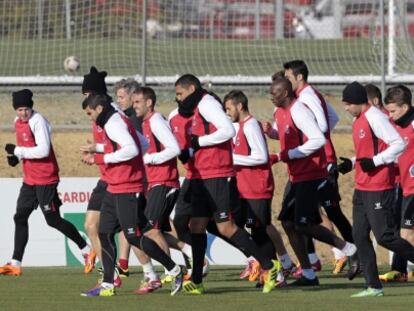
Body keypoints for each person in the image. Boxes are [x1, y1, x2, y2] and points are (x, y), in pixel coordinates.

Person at [174, 74, 280, 294]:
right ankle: (197, 281)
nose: (178, 98)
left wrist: (199, 142)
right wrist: (190, 151)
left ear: (192, 89)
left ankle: (270, 265)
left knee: (226, 227)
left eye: (180, 94)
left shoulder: (207, 103)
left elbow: (228, 130)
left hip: (217, 175)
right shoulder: (195, 109)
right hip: (202, 175)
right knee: (196, 225)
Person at [80, 94, 183, 297]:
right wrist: (97, 148)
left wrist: (102, 157)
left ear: (99, 109)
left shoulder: (113, 122)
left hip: (128, 187)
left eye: (90, 113)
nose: (90, 118)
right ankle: (108, 285)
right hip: (115, 185)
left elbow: (131, 148)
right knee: (105, 232)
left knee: (133, 236)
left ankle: (174, 269)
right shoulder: (117, 119)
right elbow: (143, 143)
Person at [269, 77, 357, 286]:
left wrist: (286, 155)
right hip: (295, 175)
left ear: (285, 93)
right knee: (289, 223)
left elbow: (317, 139)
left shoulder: (299, 110)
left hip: (310, 175)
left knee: (303, 223)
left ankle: (345, 247)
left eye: (274, 93)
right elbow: (287, 137)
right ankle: (308, 272)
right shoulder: (280, 113)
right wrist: (270, 132)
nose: (271, 96)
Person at [0, 89, 92, 276]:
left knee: (52, 220)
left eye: (26, 109)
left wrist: (18, 151)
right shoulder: (18, 123)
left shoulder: (38, 121)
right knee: (20, 216)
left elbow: (43, 150)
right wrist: (17, 158)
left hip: (46, 178)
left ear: (31, 107)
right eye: (19, 109)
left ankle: (86, 249)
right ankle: (15, 263)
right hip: (30, 179)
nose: (23, 113)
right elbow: (27, 148)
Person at [338, 81, 414, 297]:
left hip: (380, 186)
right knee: (359, 235)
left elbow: (397, 144)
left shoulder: (375, 117)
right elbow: (368, 153)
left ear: (357, 102)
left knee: (385, 237)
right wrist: (351, 164)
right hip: (362, 186)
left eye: (347, 103)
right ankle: (373, 286)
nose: (345, 108)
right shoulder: (358, 120)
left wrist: (376, 162)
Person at [224, 90, 294, 283]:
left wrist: (231, 159)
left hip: (257, 188)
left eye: (229, 108)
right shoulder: (239, 127)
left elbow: (261, 157)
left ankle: (276, 272)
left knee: (260, 231)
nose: (227, 112)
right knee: (250, 229)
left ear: (240, 106)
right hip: (244, 188)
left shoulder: (251, 126)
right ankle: (267, 269)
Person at [131, 86, 182, 288]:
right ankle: (184, 260)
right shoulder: (145, 123)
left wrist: (150, 159)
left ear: (149, 103)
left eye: (137, 102)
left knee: (151, 231)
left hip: (165, 181)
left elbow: (174, 148)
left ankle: (171, 272)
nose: (134, 106)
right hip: (154, 182)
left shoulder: (156, 122)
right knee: (148, 230)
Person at [113, 78, 159, 286]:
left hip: (143, 180)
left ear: (134, 97)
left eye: (122, 96)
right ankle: (124, 263)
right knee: (133, 225)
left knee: (152, 229)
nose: (119, 100)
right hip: (138, 180)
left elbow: (142, 148)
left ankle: (172, 267)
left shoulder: (135, 120)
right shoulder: (127, 118)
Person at [381, 84, 414, 282]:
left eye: (392, 111)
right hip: (402, 186)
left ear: (405, 107)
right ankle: (399, 270)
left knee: (406, 233)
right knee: (398, 229)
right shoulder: (393, 125)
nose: (390, 115)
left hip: (413, 188)